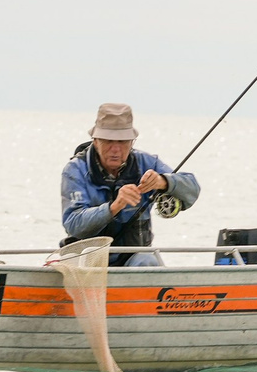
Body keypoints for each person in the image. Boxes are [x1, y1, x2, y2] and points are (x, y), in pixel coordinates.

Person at [59, 102, 200, 265]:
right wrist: (114, 207)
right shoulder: (74, 170)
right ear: (95, 141)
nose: (116, 149)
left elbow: (192, 188)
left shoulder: (147, 163)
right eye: (108, 141)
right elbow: (73, 224)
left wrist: (164, 182)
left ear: (132, 142)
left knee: (147, 260)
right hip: (86, 261)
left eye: (122, 141)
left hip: (133, 261)